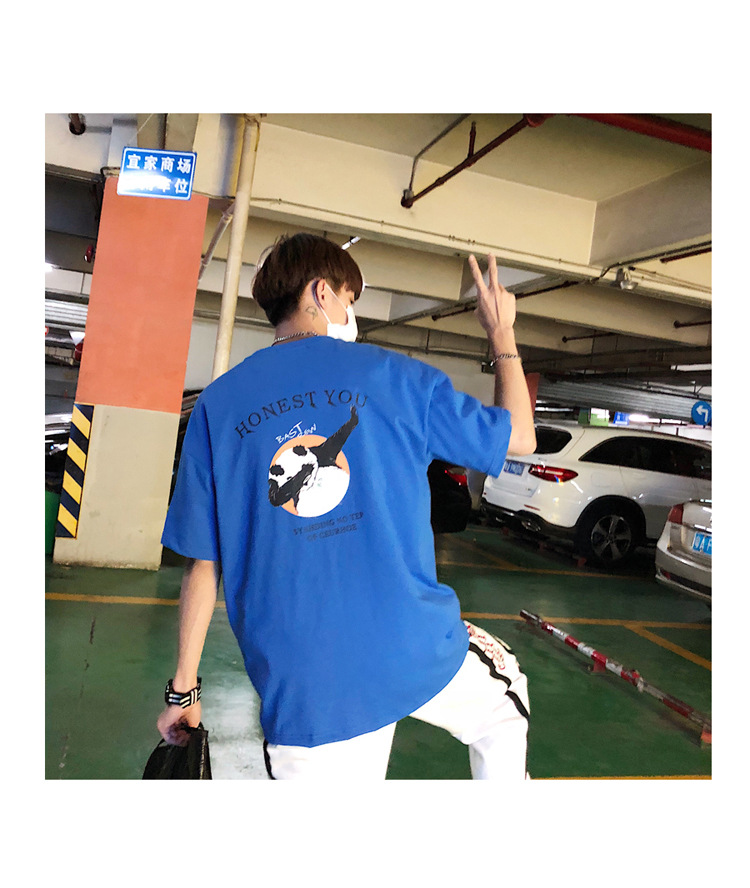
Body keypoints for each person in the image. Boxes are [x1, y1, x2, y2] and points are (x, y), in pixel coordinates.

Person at [157, 232, 537, 780]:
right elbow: (519, 436)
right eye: (349, 298)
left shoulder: (217, 406)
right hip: (411, 647)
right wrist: (501, 332)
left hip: (305, 687)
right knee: (502, 708)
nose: (351, 312)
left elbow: (203, 564)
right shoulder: (397, 378)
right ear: (321, 293)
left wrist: (184, 690)